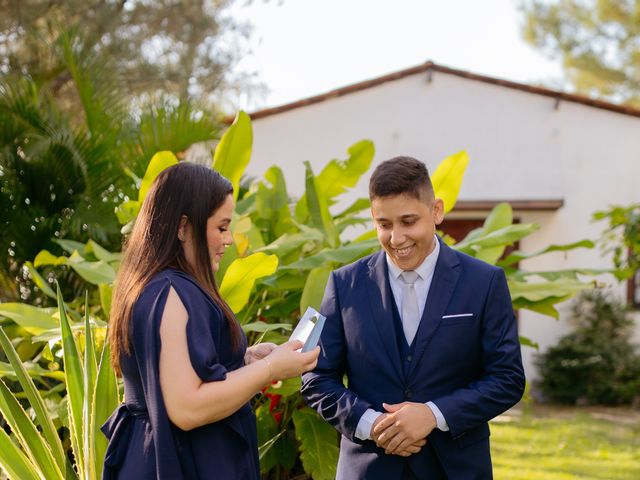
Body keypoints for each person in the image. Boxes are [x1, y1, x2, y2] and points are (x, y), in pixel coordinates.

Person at [301, 156, 525, 479]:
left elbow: (507, 378)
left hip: (455, 470)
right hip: (368, 470)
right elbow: (316, 377)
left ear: (436, 211)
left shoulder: (484, 283)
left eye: (408, 222)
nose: (396, 238)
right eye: (384, 224)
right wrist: (371, 424)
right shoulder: (343, 285)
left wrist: (434, 415)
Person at [102, 162, 319, 480]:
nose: (229, 239)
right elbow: (187, 407)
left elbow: (181, 370)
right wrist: (270, 370)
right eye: (221, 228)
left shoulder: (163, 286)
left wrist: (244, 359)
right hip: (176, 462)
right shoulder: (169, 292)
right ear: (183, 227)